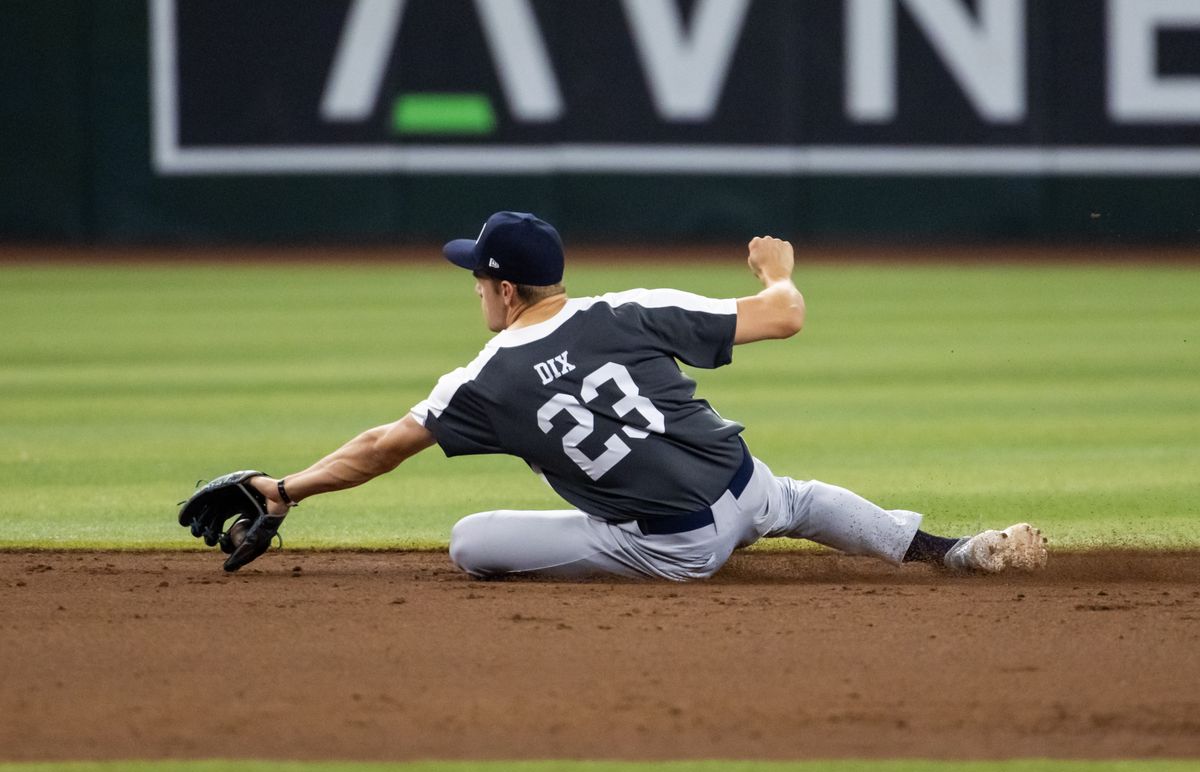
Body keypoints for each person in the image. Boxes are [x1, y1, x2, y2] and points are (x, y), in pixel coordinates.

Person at [243, 211, 1047, 580]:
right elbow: (787, 315)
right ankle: (954, 552)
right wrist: (777, 271)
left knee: (470, 542)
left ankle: (943, 552)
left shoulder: (481, 381)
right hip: (748, 485)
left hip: (673, 549)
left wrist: (284, 491)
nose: (475, 292)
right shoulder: (629, 308)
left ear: (506, 289)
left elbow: (381, 449)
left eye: (477, 279)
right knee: (798, 497)